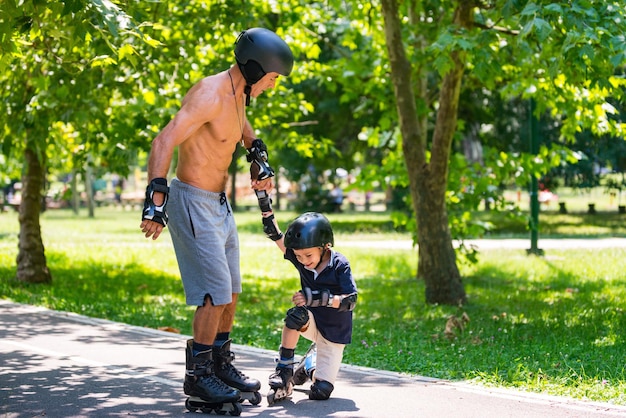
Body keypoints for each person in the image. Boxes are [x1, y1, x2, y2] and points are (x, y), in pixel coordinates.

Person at [139, 27, 294, 405]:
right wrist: (156, 201)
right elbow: (164, 140)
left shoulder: (238, 94)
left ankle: (220, 362)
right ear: (256, 69)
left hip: (218, 204)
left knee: (232, 290)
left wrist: (258, 157)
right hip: (192, 202)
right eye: (272, 78)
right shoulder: (210, 94)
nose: (272, 86)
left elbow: (241, 131)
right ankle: (199, 377)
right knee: (214, 293)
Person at [260, 210, 358, 401]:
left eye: (308, 255)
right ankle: (284, 369)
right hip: (312, 322)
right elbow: (276, 236)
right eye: (298, 256)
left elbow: (350, 300)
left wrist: (316, 298)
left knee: (320, 392)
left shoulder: (340, 265)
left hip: (334, 333)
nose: (303, 261)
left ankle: (309, 366)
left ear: (325, 246)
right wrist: (265, 206)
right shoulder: (303, 261)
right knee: (295, 316)